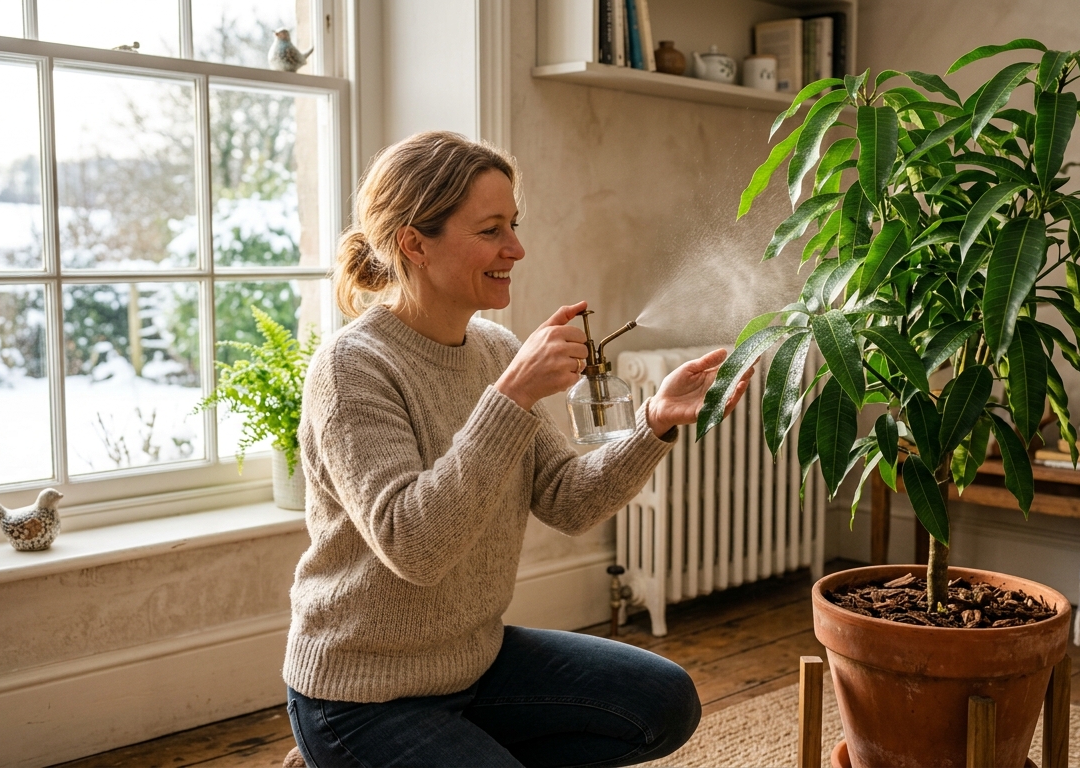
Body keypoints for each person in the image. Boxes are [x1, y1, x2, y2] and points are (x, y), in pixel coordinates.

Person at [283, 131, 751, 767]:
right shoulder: (352, 367)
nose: (516, 248)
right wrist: (511, 396)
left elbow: (567, 501)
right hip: (360, 696)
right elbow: (413, 547)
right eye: (491, 230)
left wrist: (654, 422)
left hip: (474, 664)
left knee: (663, 700)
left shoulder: (496, 348)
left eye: (514, 224)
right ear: (414, 244)